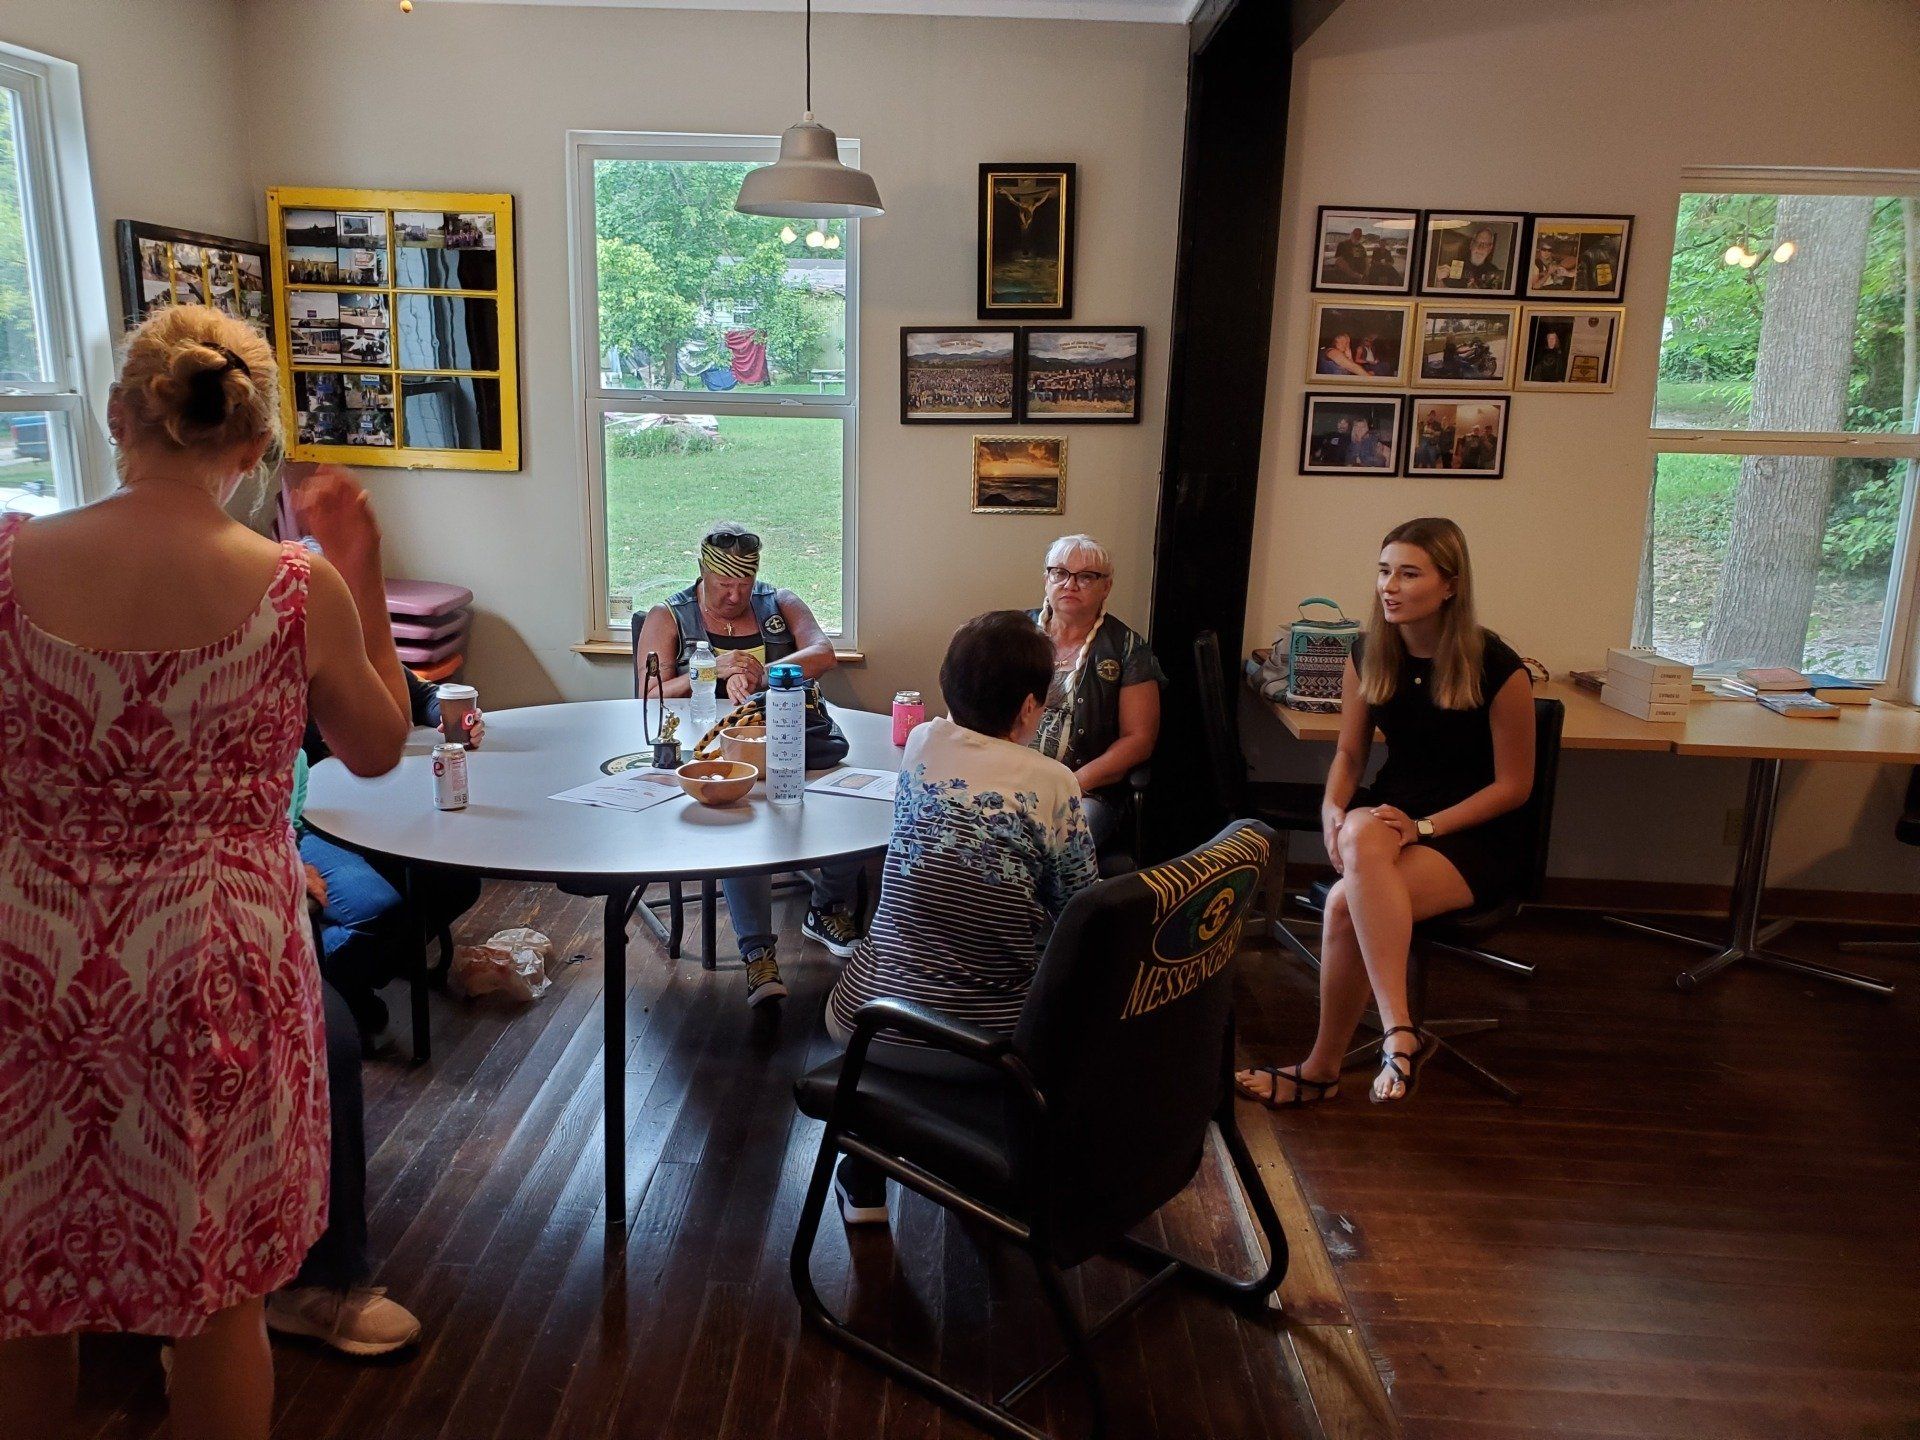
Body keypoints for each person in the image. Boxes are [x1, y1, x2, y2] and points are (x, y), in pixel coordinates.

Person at [0, 305, 409, 1438]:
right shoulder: (294, 587)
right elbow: (379, 747)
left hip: (29, 963)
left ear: (117, 415)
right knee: (222, 1300)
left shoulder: (8, 562)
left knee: (24, 1293)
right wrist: (361, 564)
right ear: (254, 444)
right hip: (214, 969)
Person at [1235, 518, 1534, 1107]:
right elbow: (1350, 754)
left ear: (1450, 585)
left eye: (1409, 574)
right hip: (1396, 813)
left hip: (1473, 833)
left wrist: (1426, 828)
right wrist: (1331, 807)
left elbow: (1514, 787)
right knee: (1360, 829)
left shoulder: (1498, 667)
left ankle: (1326, 1067)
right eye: (1384, 571)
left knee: (1343, 902)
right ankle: (1399, 1032)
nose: (1389, 587)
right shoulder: (1369, 652)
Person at [824, 612, 1099, 1224]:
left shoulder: (922, 742)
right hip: (987, 1041)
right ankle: (1009, 1164)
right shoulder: (1054, 782)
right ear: (1029, 708)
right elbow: (1081, 909)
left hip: (867, 1015)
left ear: (947, 687)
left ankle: (863, 1174)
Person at [634, 522, 864, 1006]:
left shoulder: (778, 602)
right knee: (740, 822)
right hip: (711, 749)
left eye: (744, 584)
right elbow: (649, 693)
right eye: (724, 585)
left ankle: (826, 906)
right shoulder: (669, 614)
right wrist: (709, 670)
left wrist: (766, 673)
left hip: (788, 740)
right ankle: (757, 950)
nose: (735, 596)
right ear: (702, 573)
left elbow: (823, 653)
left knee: (852, 799)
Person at [297, 654, 485, 1046]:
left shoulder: (353, 651)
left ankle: (372, 965)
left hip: (366, 811)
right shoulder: (274, 670)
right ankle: (328, 985)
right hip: (300, 824)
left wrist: (451, 718)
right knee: (375, 909)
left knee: (459, 882)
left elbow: (425, 696)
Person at [1027, 535, 1165, 853]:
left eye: (1086, 576)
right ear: (1046, 579)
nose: (1070, 584)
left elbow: (1139, 740)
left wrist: (1071, 784)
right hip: (1009, 780)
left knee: (1060, 843)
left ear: (1106, 587)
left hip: (1086, 792)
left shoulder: (1128, 648)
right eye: (1060, 573)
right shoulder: (1013, 634)